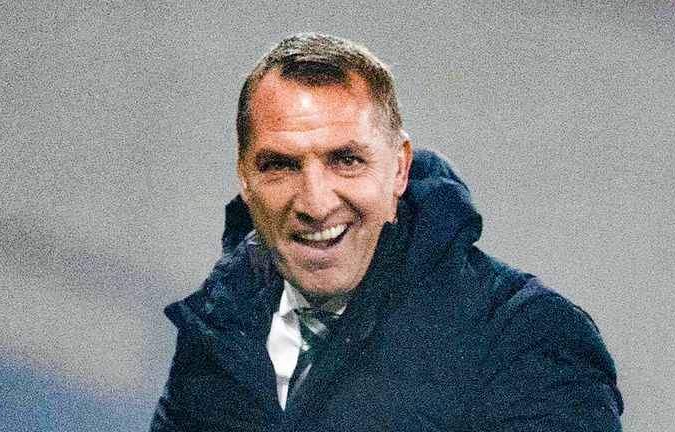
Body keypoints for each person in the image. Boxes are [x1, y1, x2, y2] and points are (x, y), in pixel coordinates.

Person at [150, 33, 623, 431]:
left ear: (399, 168)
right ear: (245, 179)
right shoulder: (214, 335)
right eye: (281, 166)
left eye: (347, 160)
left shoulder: (527, 338)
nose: (316, 203)